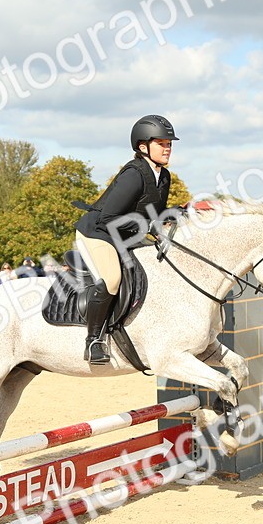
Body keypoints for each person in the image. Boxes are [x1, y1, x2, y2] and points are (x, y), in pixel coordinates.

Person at [73, 114, 177, 364]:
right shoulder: (134, 174)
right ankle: (94, 341)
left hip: (126, 234)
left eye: (169, 144)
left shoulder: (163, 176)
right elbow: (108, 217)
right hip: (98, 232)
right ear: (143, 147)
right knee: (112, 278)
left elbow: (153, 213)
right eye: (162, 143)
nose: (167, 148)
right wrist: (150, 224)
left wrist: (178, 211)